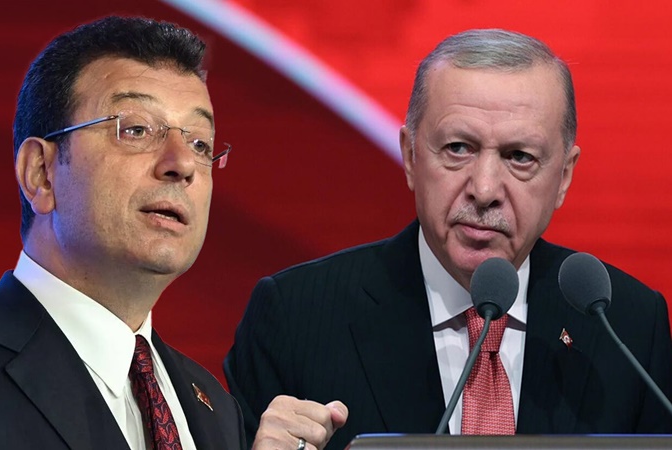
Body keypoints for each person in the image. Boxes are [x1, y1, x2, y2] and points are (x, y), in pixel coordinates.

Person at [225, 28, 672, 450]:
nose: (484, 188)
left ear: (564, 177)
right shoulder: (295, 316)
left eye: (519, 156)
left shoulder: (629, 326)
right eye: (458, 148)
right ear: (410, 156)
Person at [0, 16, 245, 450]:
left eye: (200, 143)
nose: (182, 164)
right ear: (41, 173)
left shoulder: (215, 408)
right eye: (136, 129)